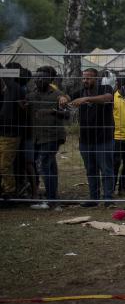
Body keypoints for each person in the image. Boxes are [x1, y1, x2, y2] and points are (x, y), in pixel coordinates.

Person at [66, 68, 115, 207]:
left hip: (103, 139)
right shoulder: (80, 92)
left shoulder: (105, 88)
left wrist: (86, 99)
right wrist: (63, 98)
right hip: (86, 140)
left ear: (96, 79)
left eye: (88, 78)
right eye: (83, 78)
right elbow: (68, 96)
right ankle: (94, 198)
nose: (85, 81)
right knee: (91, 170)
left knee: (106, 170)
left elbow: (108, 98)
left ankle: (108, 199)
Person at [26, 67, 69, 209]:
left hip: (52, 136)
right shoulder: (32, 95)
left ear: (50, 80)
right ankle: (52, 196)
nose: (38, 80)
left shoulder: (57, 95)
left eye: (42, 77)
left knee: (44, 164)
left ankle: (51, 199)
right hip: (37, 136)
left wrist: (51, 112)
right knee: (50, 166)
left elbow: (67, 114)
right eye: (36, 77)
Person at [0, 69, 26, 204]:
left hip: (10, 134)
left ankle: (10, 193)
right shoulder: (6, 91)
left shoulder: (15, 89)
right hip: (4, 133)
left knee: (4, 165)